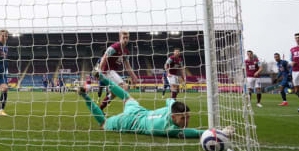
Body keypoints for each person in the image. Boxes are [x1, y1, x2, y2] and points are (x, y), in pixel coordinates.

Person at [78, 72, 207, 138]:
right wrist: (212, 132)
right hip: (131, 122)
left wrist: (171, 101)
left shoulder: (171, 108)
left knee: (127, 97)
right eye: (183, 118)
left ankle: (100, 78)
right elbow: (195, 133)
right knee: (103, 124)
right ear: (173, 117)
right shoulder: (171, 130)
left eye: (187, 117)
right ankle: (87, 92)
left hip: (141, 112)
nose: (187, 121)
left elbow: (170, 101)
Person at [97, 31, 138, 111]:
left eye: (127, 38)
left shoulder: (126, 52)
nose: (125, 40)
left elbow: (127, 66)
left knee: (114, 93)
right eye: (124, 38)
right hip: (107, 71)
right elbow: (104, 57)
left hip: (112, 72)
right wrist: (99, 71)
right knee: (124, 87)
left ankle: (101, 108)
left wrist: (134, 76)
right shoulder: (114, 47)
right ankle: (128, 111)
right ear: (120, 38)